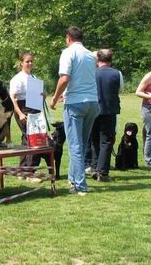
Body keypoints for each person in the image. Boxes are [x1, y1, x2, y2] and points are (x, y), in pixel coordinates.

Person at [50, 26, 99, 195]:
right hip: (93, 103)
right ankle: (73, 179)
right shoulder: (91, 55)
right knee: (82, 144)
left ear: (68, 38)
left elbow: (64, 78)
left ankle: (80, 185)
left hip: (75, 104)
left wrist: (55, 98)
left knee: (75, 146)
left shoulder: (68, 53)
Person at [9, 52, 49, 183]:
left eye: (31, 61)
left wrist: (43, 94)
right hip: (23, 109)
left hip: (34, 108)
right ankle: (29, 173)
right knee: (32, 139)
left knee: (27, 138)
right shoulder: (17, 78)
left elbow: (37, 95)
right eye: (27, 61)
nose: (30, 63)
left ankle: (22, 170)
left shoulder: (34, 77)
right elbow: (13, 98)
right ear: (21, 63)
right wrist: (20, 114)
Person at [89, 49, 123, 182]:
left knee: (94, 140)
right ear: (111, 60)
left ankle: (94, 167)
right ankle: (102, 172)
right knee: (106, 141)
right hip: (109, 111)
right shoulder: (117, 73)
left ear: (98, 59)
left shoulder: (91, 73)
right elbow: (120, 89)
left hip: (93, 110)